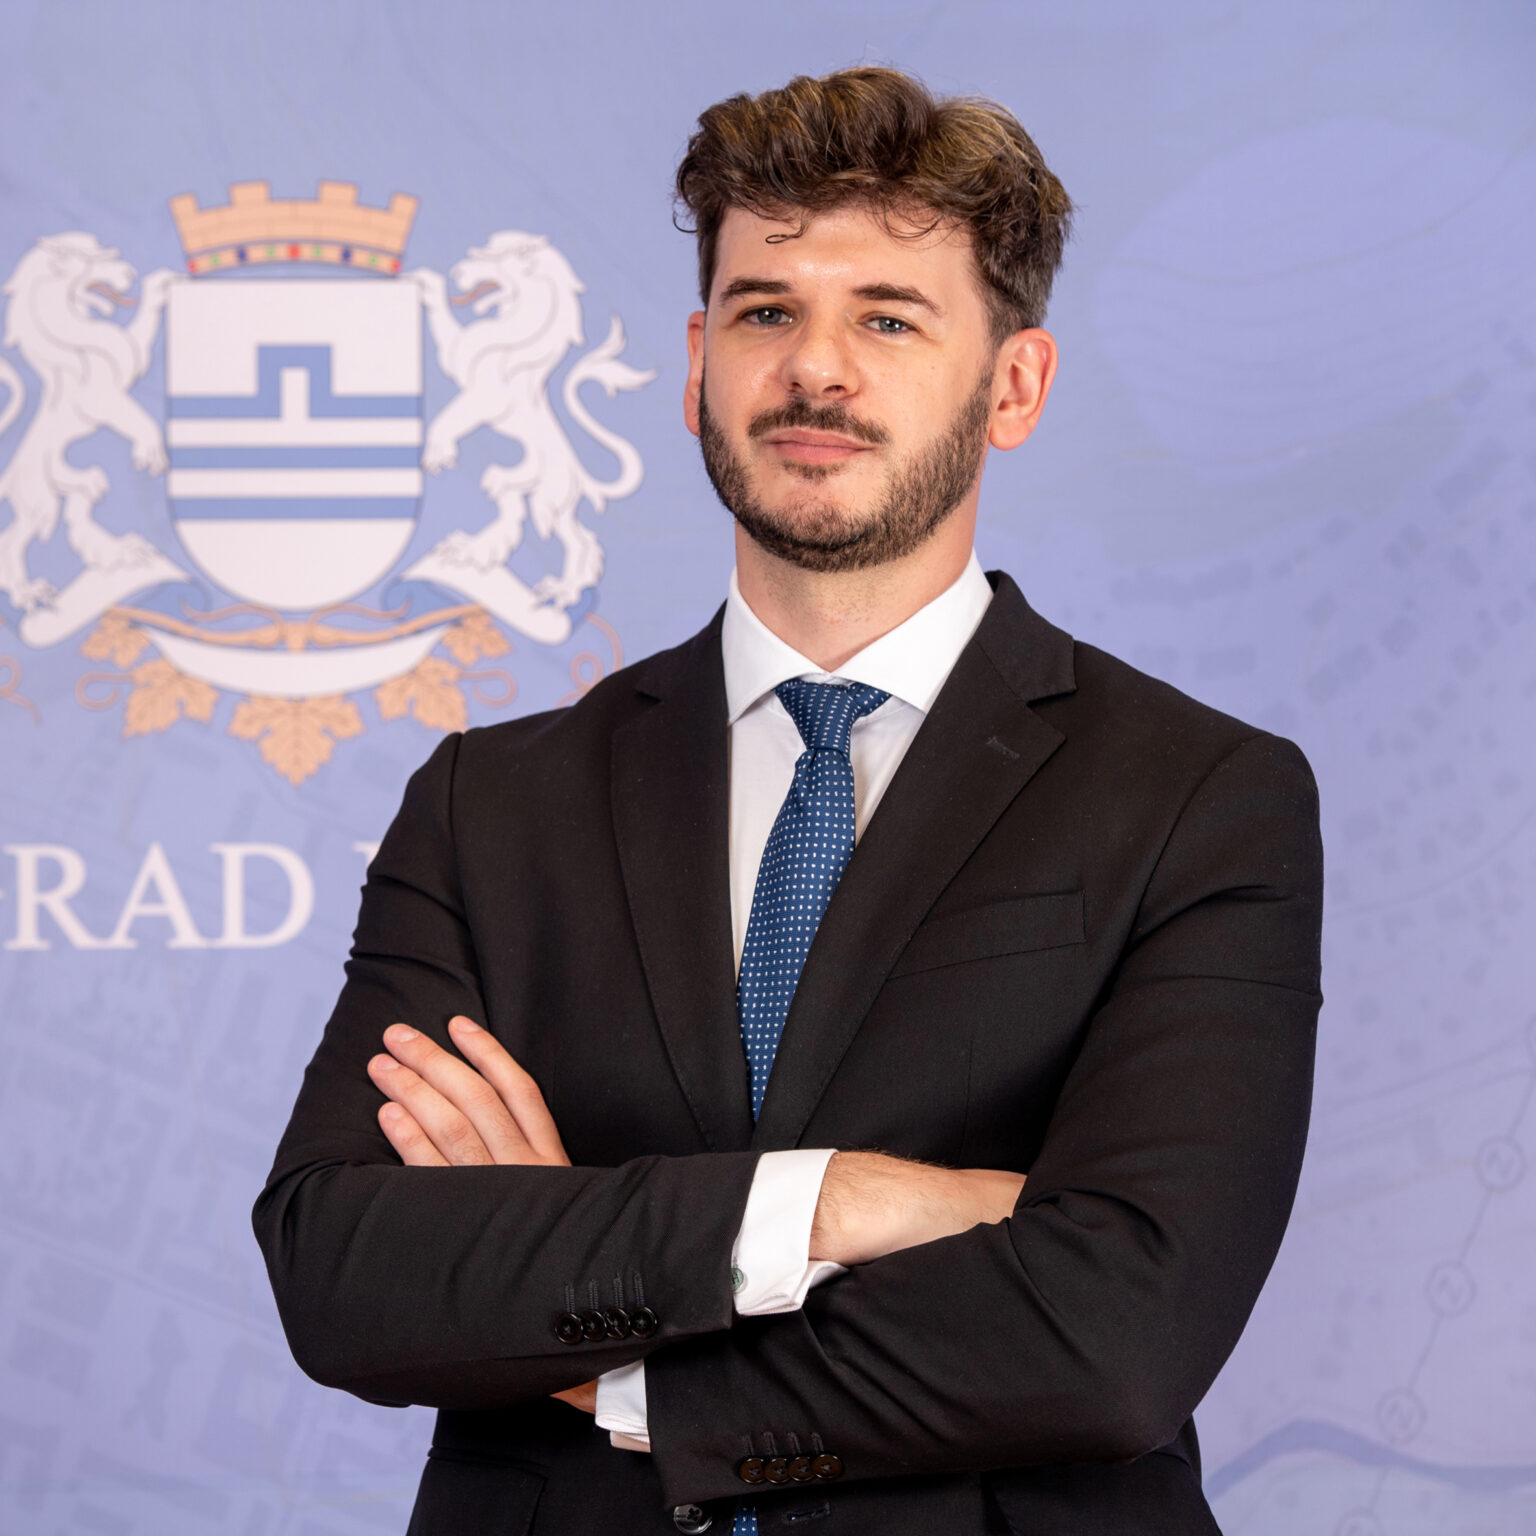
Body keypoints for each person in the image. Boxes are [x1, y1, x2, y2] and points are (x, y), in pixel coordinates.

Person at [255, 67, 1322, 1536]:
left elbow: (1118, 1335)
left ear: (1014, 386)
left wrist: (603, 1347)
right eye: (766, 311)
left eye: (889, 319)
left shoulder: (1201, 796)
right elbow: (347, 1271)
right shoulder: (489, 802)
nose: (816, 369)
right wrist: (838, 1202)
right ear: (700, 360)